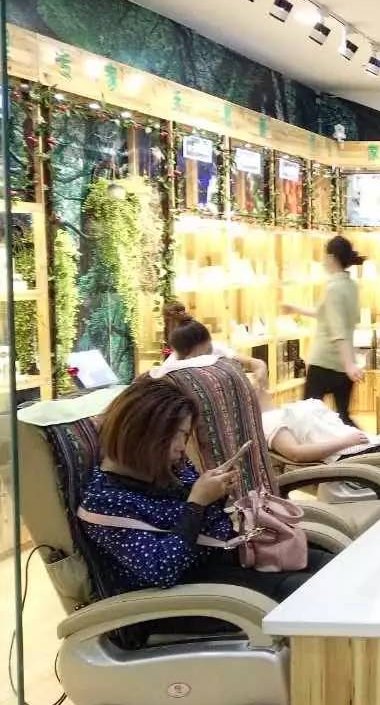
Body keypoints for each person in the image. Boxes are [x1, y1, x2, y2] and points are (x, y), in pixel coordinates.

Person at [79, 377, 331, 602]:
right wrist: (197, 504)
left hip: (219, 561)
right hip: (179, 597)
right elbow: (162, 570)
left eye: (185, 436)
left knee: (327, 563)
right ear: (141, 433)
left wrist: (216, 493)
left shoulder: (169, 465)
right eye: (176, 436)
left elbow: (213, 526)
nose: (182, 447)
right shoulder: (104, 502)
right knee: (307, 591)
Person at [283, 235, 365, 426]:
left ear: (331, 257)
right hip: (343, 363)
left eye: (324, 256)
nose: (323, 261)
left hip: (325, 362)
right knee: (343, 418)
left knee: (307, 416)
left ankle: (364, 441)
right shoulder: (350, 286)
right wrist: (294, 309)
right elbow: (324, 314)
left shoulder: (334, 288)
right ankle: (363, 443)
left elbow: (338, 329)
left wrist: (349, 365)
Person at [152, 302, 268, 384]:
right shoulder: (170, 369)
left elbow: (254, 363)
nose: (207, 355)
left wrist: (260, 370)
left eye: (209, 349)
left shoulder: (216, 348)